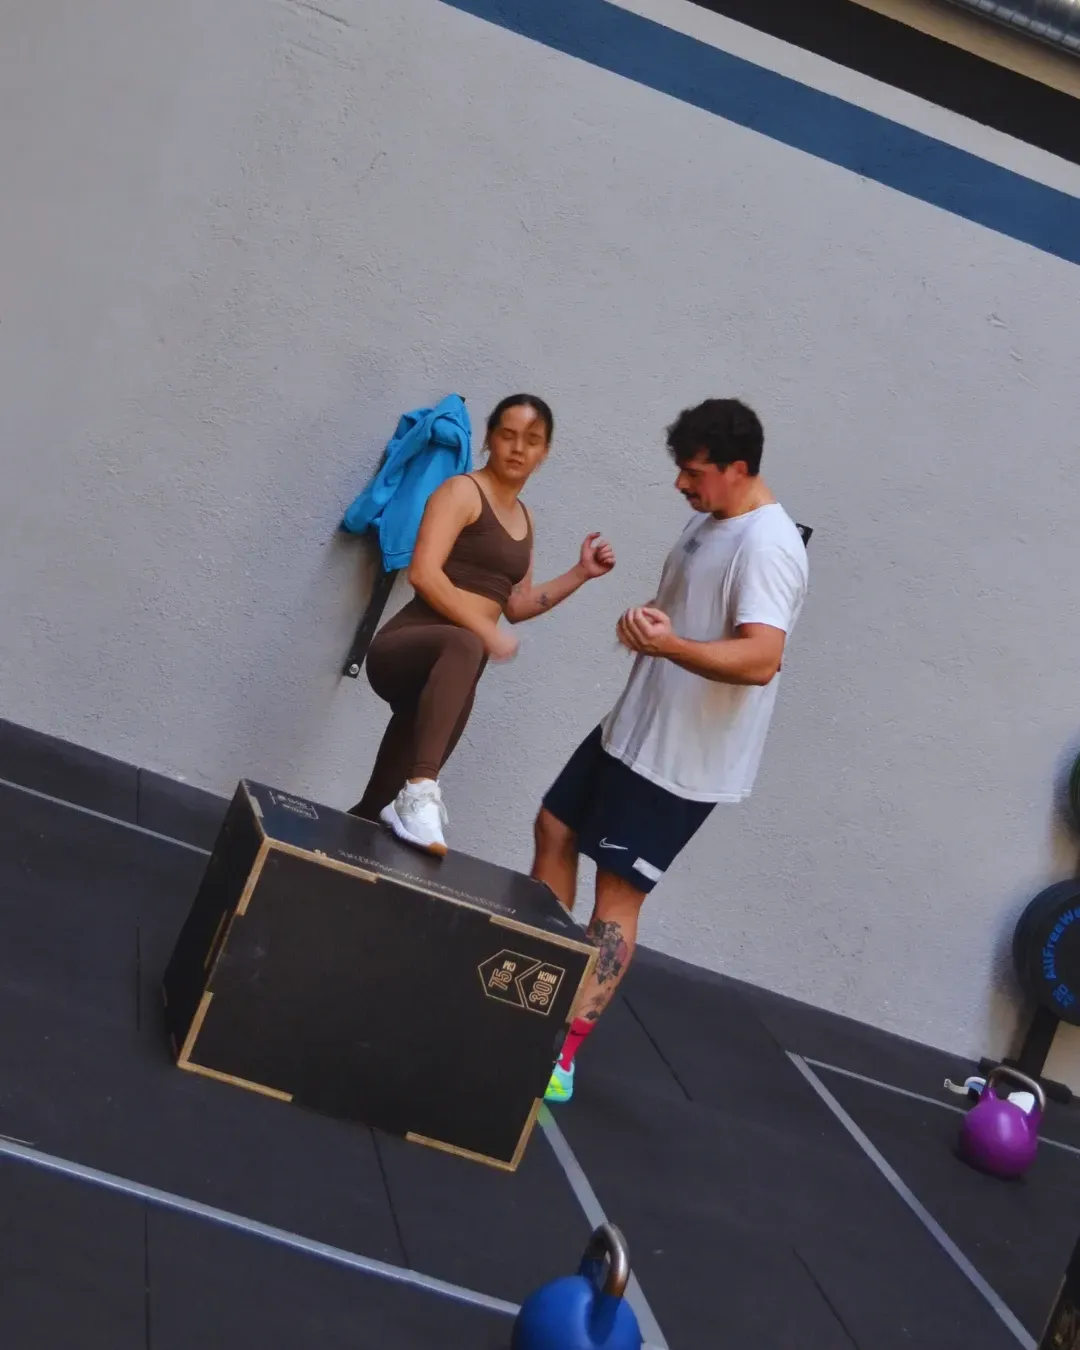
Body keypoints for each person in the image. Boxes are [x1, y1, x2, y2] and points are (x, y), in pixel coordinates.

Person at [532, 398, 809, 1103]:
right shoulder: (709, 520)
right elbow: (680, 623)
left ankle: (558, 1055)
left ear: (736, 469)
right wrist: (644, 627)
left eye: (693, 472)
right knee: (553, 827)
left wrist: (671, 645)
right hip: (632, 726)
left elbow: (760, 658)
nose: (682, 485)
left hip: (681, 762)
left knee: (617, 897)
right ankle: (530, 990)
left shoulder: (769, 545)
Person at [350, 394, 615, 855]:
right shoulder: (461, 492)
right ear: (490, 438)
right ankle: (420, 790)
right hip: (407, 647)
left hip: (450, 673)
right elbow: (424, 573)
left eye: (532, 441)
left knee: (375, 810)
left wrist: (581, 573)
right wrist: (485, 630)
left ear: (545, 452)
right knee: (466, 646)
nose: (518, 448)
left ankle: (379, 816)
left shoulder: (525, 518)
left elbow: (517, 604)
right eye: (508, 435)